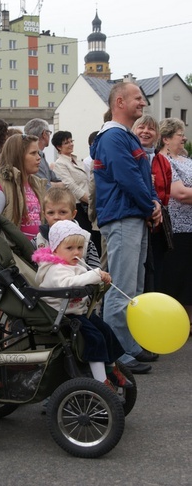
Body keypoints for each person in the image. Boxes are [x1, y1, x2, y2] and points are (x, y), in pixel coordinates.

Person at [90, 82, 162, 374]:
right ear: (120, 101)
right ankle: (117, 353)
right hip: (123, 217)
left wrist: (153, 203)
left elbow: (142, 178)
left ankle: (128, 345)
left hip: (132, 216)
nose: (142, 103)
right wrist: (151, 206)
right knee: (121, 287)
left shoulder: (124, 137)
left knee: (132, 287)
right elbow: (128, 178)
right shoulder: (113, 137)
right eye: (137, 98)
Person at [32, 220, 131, 396]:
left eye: (79, 247)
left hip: (78, 311)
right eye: (69, 248)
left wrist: (100, 277)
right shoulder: (56, 269)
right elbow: (70, 283)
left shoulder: (75, 264)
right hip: (63, 316)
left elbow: (84, 276)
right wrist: (93, 275)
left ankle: (111, 367)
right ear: (55, 249)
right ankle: (102, 381)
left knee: (106, 330)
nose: (76, 252)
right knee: (94, 338)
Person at [158, 118, 192, 333]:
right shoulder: (164, 161)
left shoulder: (186, 160)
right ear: (166, 139)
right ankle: (176, 323)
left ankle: (189, 321)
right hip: (176, 227)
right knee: (177, 276)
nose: (185, 138)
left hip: (191, 227)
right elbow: (179, 193)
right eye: (180, 134)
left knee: (190, 277)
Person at [132, 115, 172, 291]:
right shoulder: (128, 155)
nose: (146, 132)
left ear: (157, 135)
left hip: (156, 225)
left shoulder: (162, 161)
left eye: (151, 129)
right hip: (133, 220)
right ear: (133, 131)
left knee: (154, 274)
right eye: (141, 127)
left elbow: (166, 194)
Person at [0, 133, 46, 240]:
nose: (38, 157)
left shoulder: (36, 184)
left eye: (38, 153)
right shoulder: (1, 188)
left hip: (36, 252)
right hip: (15, 253)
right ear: (18, 156)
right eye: (33, 153)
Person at [32, 187, 101, 270]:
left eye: (63, 212)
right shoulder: (39, 241)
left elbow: (96, 272)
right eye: (51, 213)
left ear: (73, 214)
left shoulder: (85, 240)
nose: (56, 217)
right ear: (44, 215)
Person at [51, 130, 94, 238]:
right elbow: (72, 186)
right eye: (66, 143)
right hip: (77, 206)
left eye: (71, 141)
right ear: (59, 147)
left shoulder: (77, 161)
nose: (71, 144)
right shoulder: (60, 164)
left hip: (87, 205)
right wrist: (92, 201)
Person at [24, 118, 63, 189]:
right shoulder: (35, 159)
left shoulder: (41, 156)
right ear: (44, 134)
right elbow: (45, 188)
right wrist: (55, 185)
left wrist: (51, 184)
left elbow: (55, 179)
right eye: (49, 133)